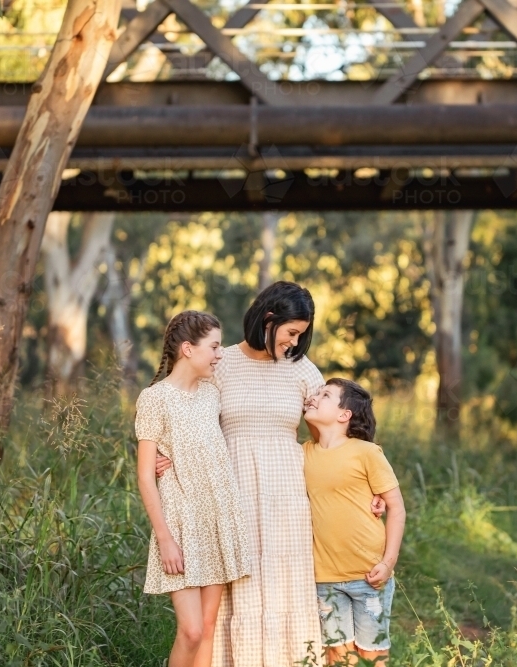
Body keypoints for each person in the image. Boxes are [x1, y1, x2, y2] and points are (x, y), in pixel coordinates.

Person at [154, 282, 385, 666]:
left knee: (285, 587)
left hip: (288, 498)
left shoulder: (303, 371)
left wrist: (367, 487)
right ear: (268, 318)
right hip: (229, 493)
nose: (295, 343)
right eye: (292, 332)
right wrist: (167, 456)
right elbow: (183, 413)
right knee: (232, 594)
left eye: (301, 335)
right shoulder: (220, 363)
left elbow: (334, 437)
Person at [135, 310, 251, 667]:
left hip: (216, 517)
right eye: (214, 346)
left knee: (209, 625)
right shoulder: (154, 398)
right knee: (192, 631)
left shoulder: (211, 392)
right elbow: (144, 476)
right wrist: (165, 538)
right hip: (180, 524)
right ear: (188, 348)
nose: (220, 354)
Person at [302, 379, 406, 667]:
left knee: (373, 657)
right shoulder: (303, 453)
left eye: (324, 395)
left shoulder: (367, 453)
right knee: (339, 656)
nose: (314, 398)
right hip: (325, 579)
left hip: (368, 576)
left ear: (344, 414)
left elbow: (396, 508)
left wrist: (388, 563)